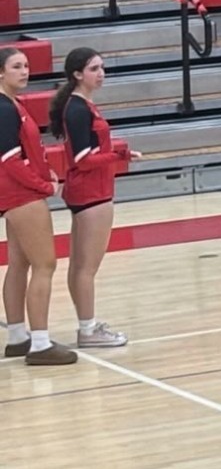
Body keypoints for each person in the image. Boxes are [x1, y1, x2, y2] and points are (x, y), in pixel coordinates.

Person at [49, 48, 140, 350]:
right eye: (93, 69)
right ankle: (88, 330)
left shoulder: (82, 105)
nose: (100, 74)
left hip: (89, 191)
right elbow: (82, 159)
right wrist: (119, 155)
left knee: (79, 266)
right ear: (77, 74)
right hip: (92, 192)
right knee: (86, 267)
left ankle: (86, 326)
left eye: (102, 68)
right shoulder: (77, 109)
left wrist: (117, 154)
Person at [0, 46, 69, 366]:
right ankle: (40, 344)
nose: (24, 71)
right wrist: (44, 186)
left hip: (16, 192)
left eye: (26, 65)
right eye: (16, 66)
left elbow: (26, 152)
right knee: (45, 264)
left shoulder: (12, 104)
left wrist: (46, 170)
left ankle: (17, 337)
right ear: (1, 72)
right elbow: (10, 161)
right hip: (20, 194)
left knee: (20, 263)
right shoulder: (3, 108)